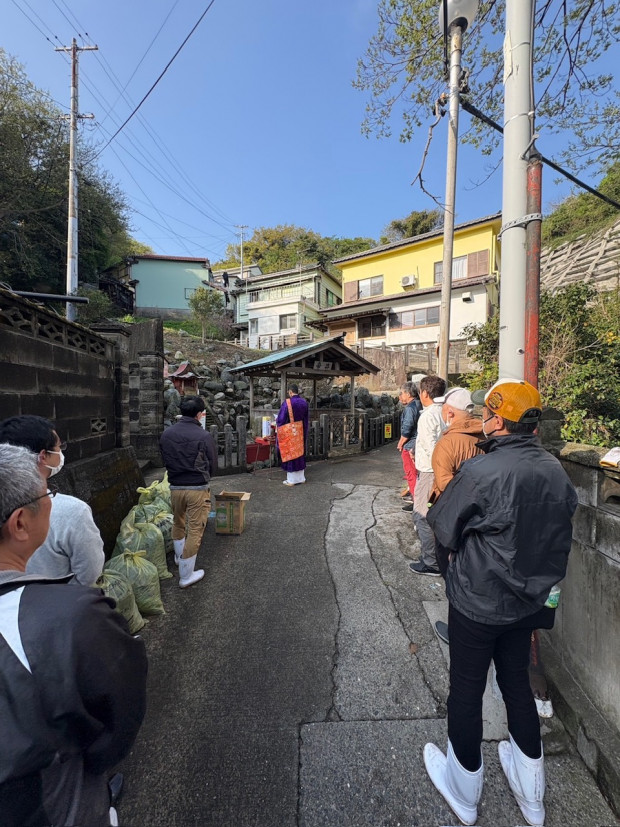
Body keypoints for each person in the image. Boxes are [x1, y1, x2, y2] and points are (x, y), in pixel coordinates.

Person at [423, 379, 578, 827]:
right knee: (516, 682)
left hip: (478, 600)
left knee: (466, 688)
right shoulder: (555, 470)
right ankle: (532, 797)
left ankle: (464, 791)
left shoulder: (481, 471)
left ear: (496, 421)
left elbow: (444, 527)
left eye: (487, 414)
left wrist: (452, 572)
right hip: (529, 601)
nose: (483, 420)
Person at [0, 443, 147, 827]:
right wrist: (91, 764)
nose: (52, 500)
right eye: (46, 494)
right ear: (19, 523)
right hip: (56, 805)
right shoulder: (74, 617)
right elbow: (120, 711)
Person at [0, 415, 105, 586]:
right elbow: (90, 572)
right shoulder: (72, 512)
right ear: (43, 456)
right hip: (60, 599)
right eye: (59, 447)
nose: (61, 452)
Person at [159, 395, 218, 588]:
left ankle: (179, 557)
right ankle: (186, 575)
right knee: (195, 529)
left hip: (175, 487)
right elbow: (213, 463)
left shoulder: (167, 434)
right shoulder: (203, 436)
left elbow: (164, 458)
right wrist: (205, 477)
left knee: (178, 522)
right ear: (200, 414)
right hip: (197, 487)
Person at [408, 374, 446, 576]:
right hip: (440, 474)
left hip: (430, 474)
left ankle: (431, 562)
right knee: (433, 512)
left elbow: (432, 450)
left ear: (424, 393)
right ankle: (437, 557)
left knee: (421, 515)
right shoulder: (445, 412)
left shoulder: (428, 416)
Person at [276, 384, 309, 486]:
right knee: (299, 452)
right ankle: (301, 478)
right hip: (301, 431)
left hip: (290, 432)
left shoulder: (287, 403)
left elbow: (281, 419)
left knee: (291, 453)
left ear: (290, 392)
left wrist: (277, 423)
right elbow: (306, 418)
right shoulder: (304, 402)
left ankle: (291, 480)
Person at [396, 381, 422, 512]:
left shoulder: (410, 408)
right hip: (418, 444)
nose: (400, 396)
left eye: (401, 393)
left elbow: (407, 428)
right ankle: (417, 497)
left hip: (410, 444)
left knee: (411, 473)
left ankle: (416, 500)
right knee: (417, 473)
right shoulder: (419, 404)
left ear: (408, 393)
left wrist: (401, 443)